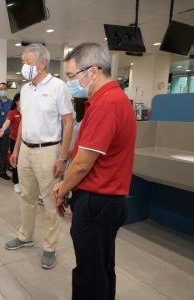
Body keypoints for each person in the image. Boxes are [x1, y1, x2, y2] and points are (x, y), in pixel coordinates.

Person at [54, 42, 136, 300]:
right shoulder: (109, 99)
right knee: (100, 268)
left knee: (89, 273)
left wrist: (61, 189)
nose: (71, 83)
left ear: (93, 71)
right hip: (106, 200)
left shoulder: (107, 103)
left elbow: (82, 164)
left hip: (98, 200)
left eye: (72, 76)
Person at [6, 43, 74, 270]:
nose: (24, 66)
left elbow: (68, 121)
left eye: (29, 62)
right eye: (23, 62)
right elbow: (24, 120)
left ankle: (50, 247)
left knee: (50, 201)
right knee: (26, 196)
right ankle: (25, 236)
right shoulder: (25, 89)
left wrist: (62, 158)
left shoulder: (58, 87)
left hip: (48, 150)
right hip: (25, 148)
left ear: (43, 63)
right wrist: (16, 149)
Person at [0, 92, 22, 193]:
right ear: (16, 101)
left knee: (24, 162)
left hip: (26, 142)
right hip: (14, 140)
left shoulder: (28, 111)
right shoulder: (13, 112)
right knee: (15, 161)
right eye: (21, 99)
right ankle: (16, 181)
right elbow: (7, 122)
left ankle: (24, 181)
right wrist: (3, 129)